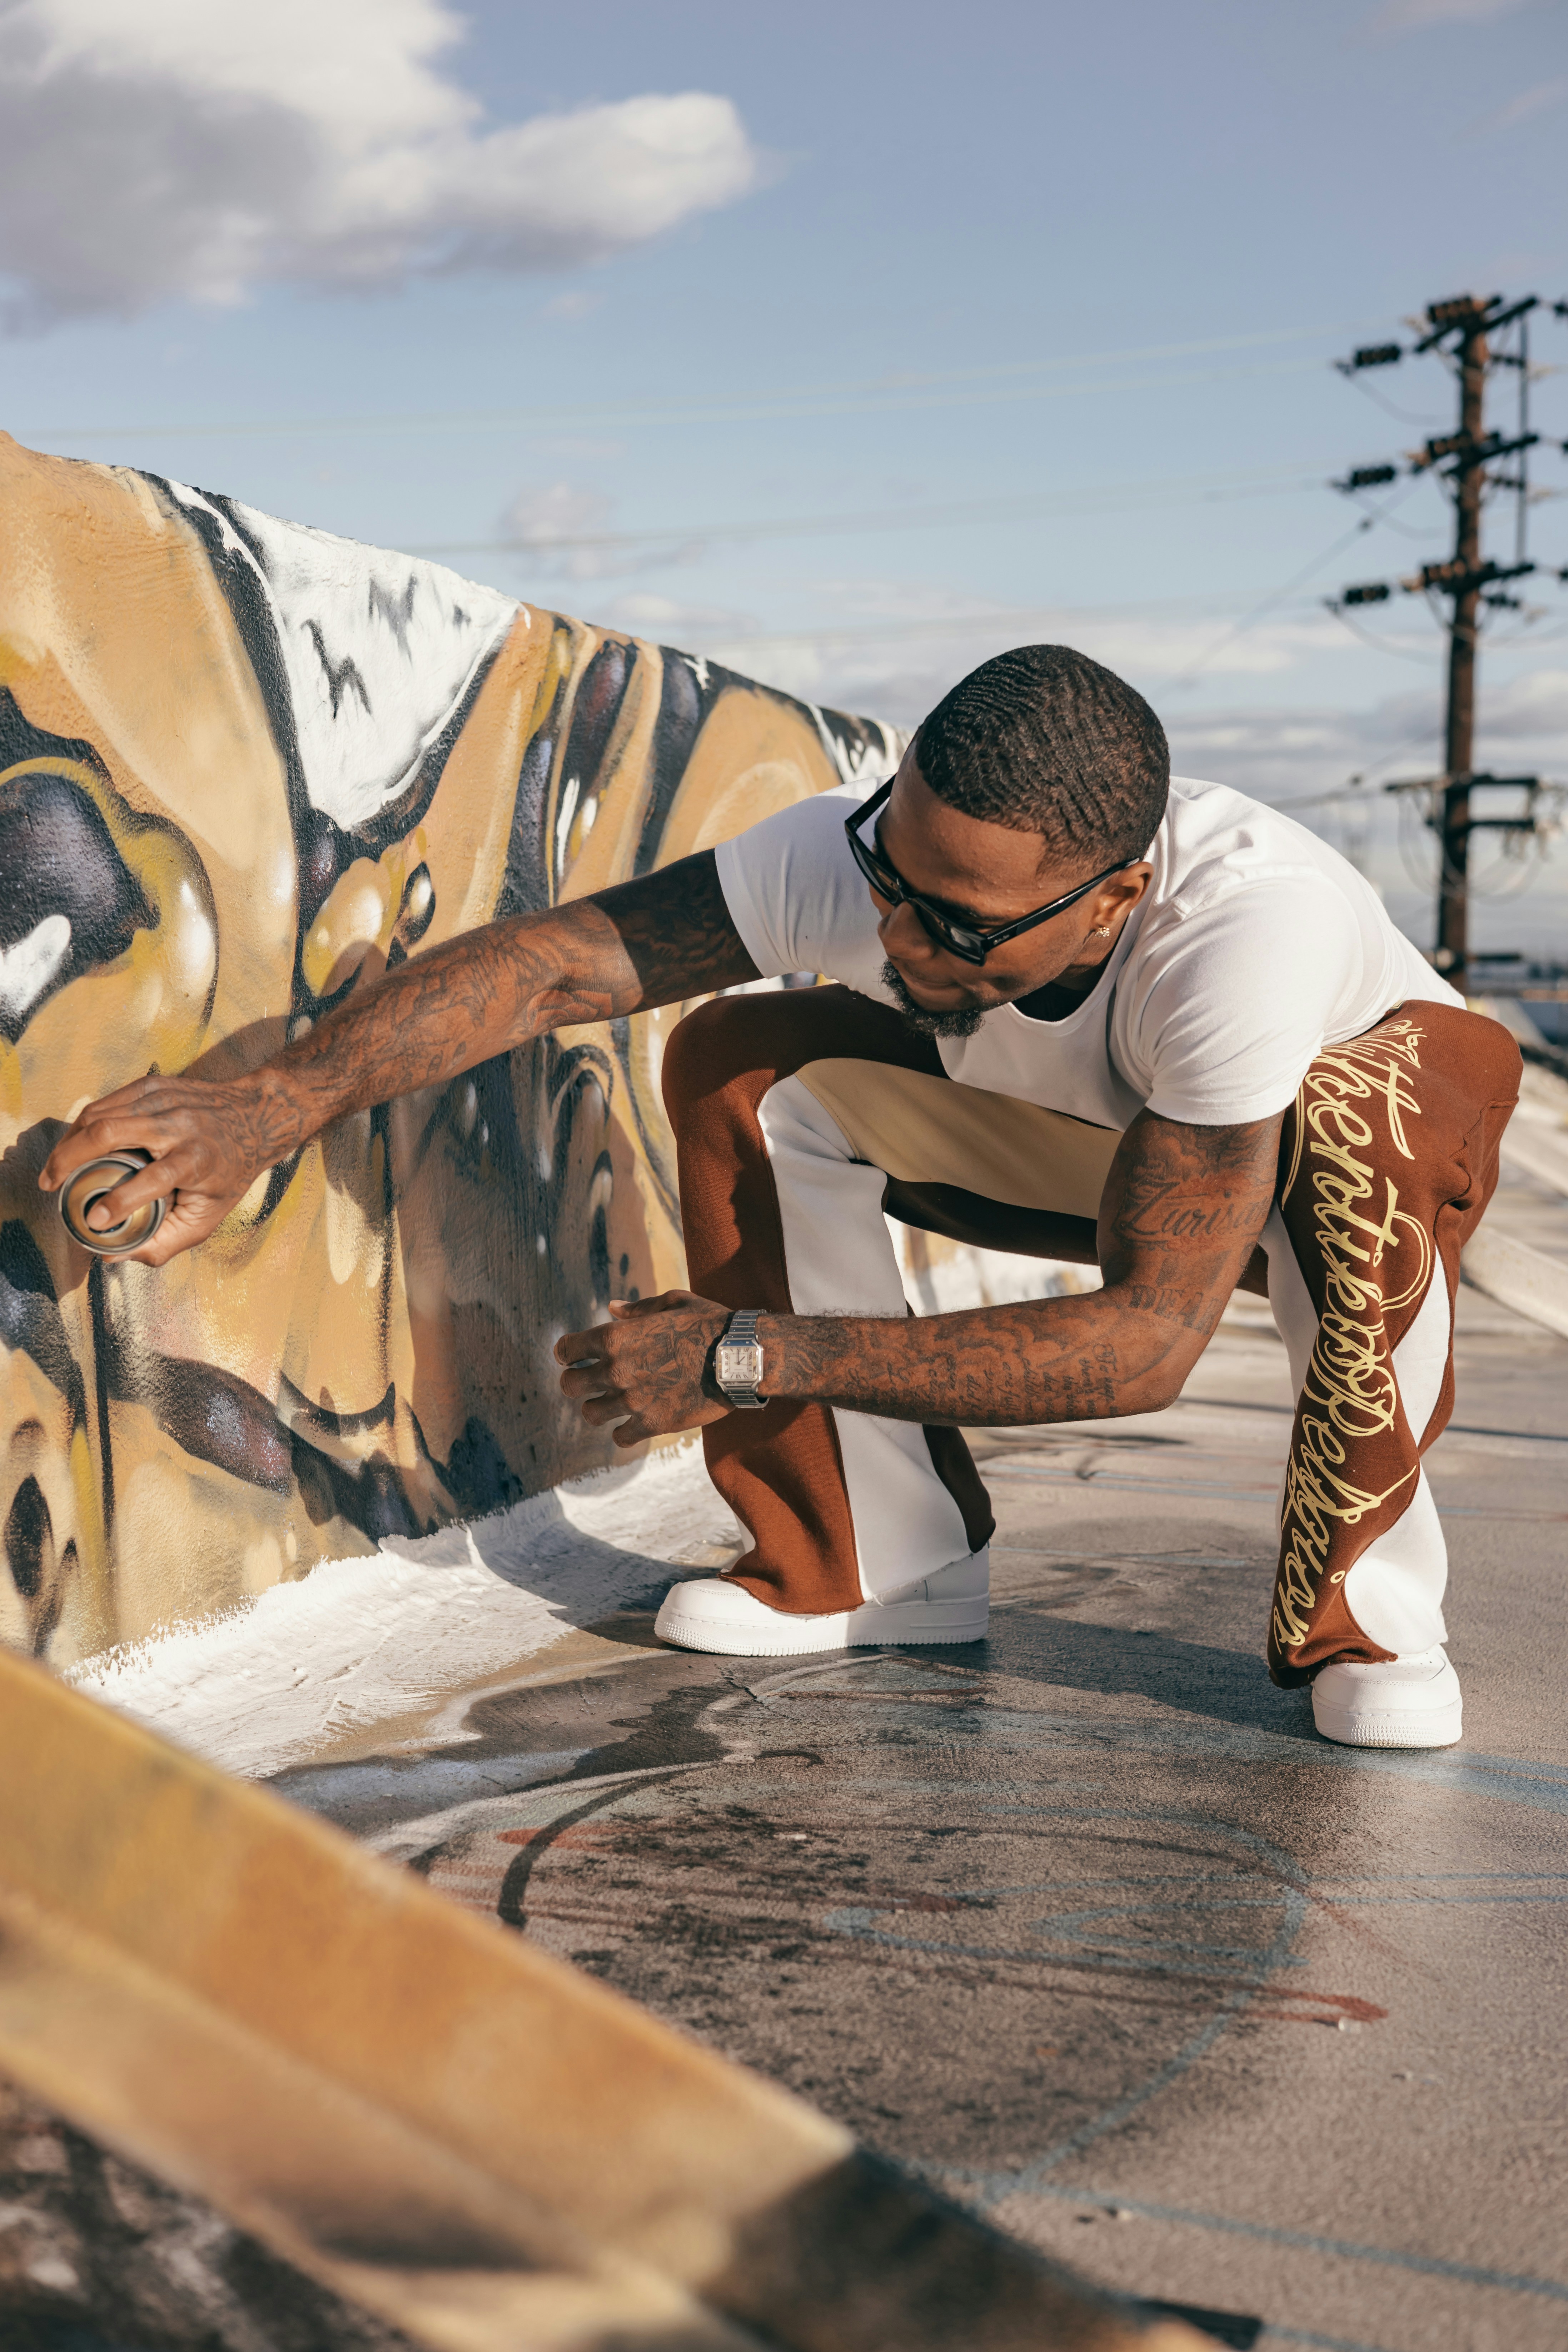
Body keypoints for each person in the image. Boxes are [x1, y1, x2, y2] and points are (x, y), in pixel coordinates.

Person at [42, 646, 1520, 1749]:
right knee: (748, 1059)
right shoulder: (870, 862)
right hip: (1109, 1137)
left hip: (1354, 1132)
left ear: (1118, 899)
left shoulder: (1241, 938)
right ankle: (875, 1553)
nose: (902, 937)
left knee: (1350, 1138)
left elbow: (1149, 1342)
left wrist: (747, 1352)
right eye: (889, 877)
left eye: (960, 927)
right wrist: (268, 1103)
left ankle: (1371, 1622)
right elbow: (560, 963)